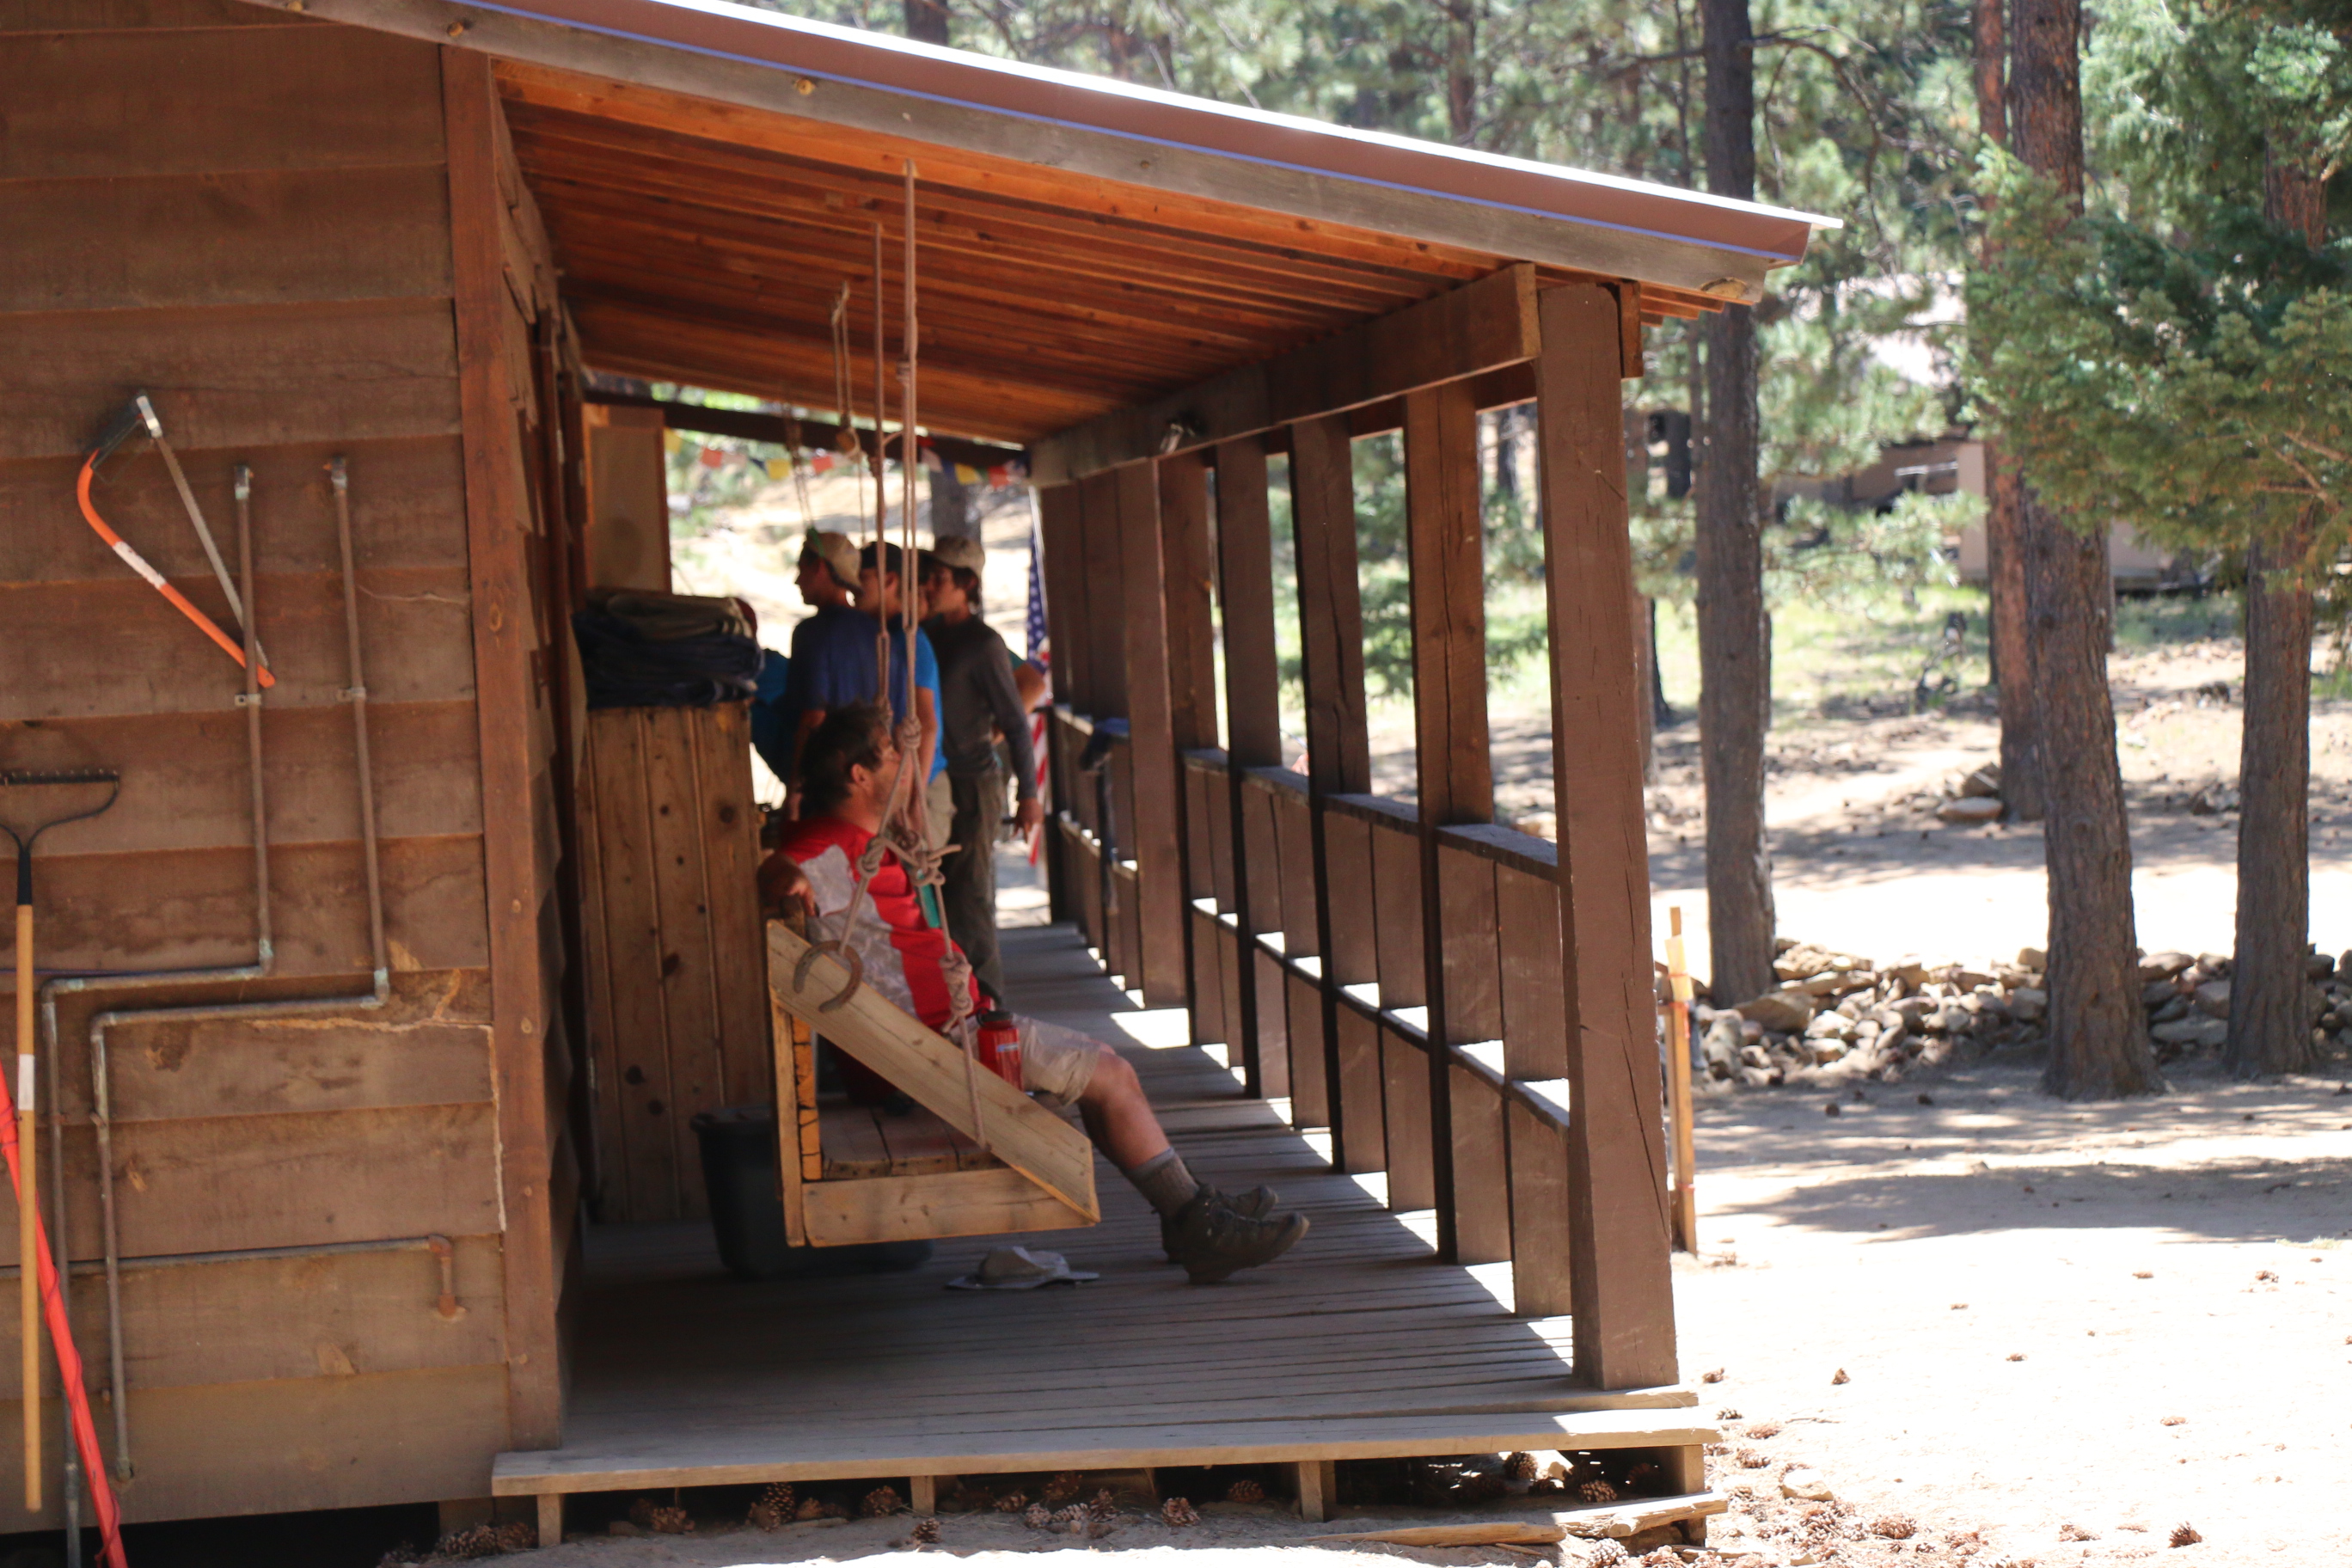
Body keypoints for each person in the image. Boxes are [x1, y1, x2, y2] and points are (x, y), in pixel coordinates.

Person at [759, 703, 1308, 1283]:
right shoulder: (831, 845)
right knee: (1112, 1075)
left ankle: (1188, 1208)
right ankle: (1198, 1225)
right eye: (892, 753)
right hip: (931, 1051)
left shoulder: (853, 841)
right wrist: (782, 878)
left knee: (1103, 1068)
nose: (906, 759)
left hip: (936, 1035)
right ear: (859, 776)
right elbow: (779, 868)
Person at [918, 536, 1044, 1004]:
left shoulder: (983, 644)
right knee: (939, 898)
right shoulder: (927, 635)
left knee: (969, 899)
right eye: (928, 577)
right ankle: (951, 999)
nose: (930, 586)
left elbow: (1015, 720)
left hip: (974, 784)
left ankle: (988, 1006)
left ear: (967, 584)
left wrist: (1028, 795)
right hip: (936, 782)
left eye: (940, 578)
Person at [775, 530, 871, 801]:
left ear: (818, 567)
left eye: (801, 569)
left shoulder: (812, 632)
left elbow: (813, 718)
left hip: (829, 778)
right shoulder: (878, 631)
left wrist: (796, 790)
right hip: (870, 771)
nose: (797, 580)